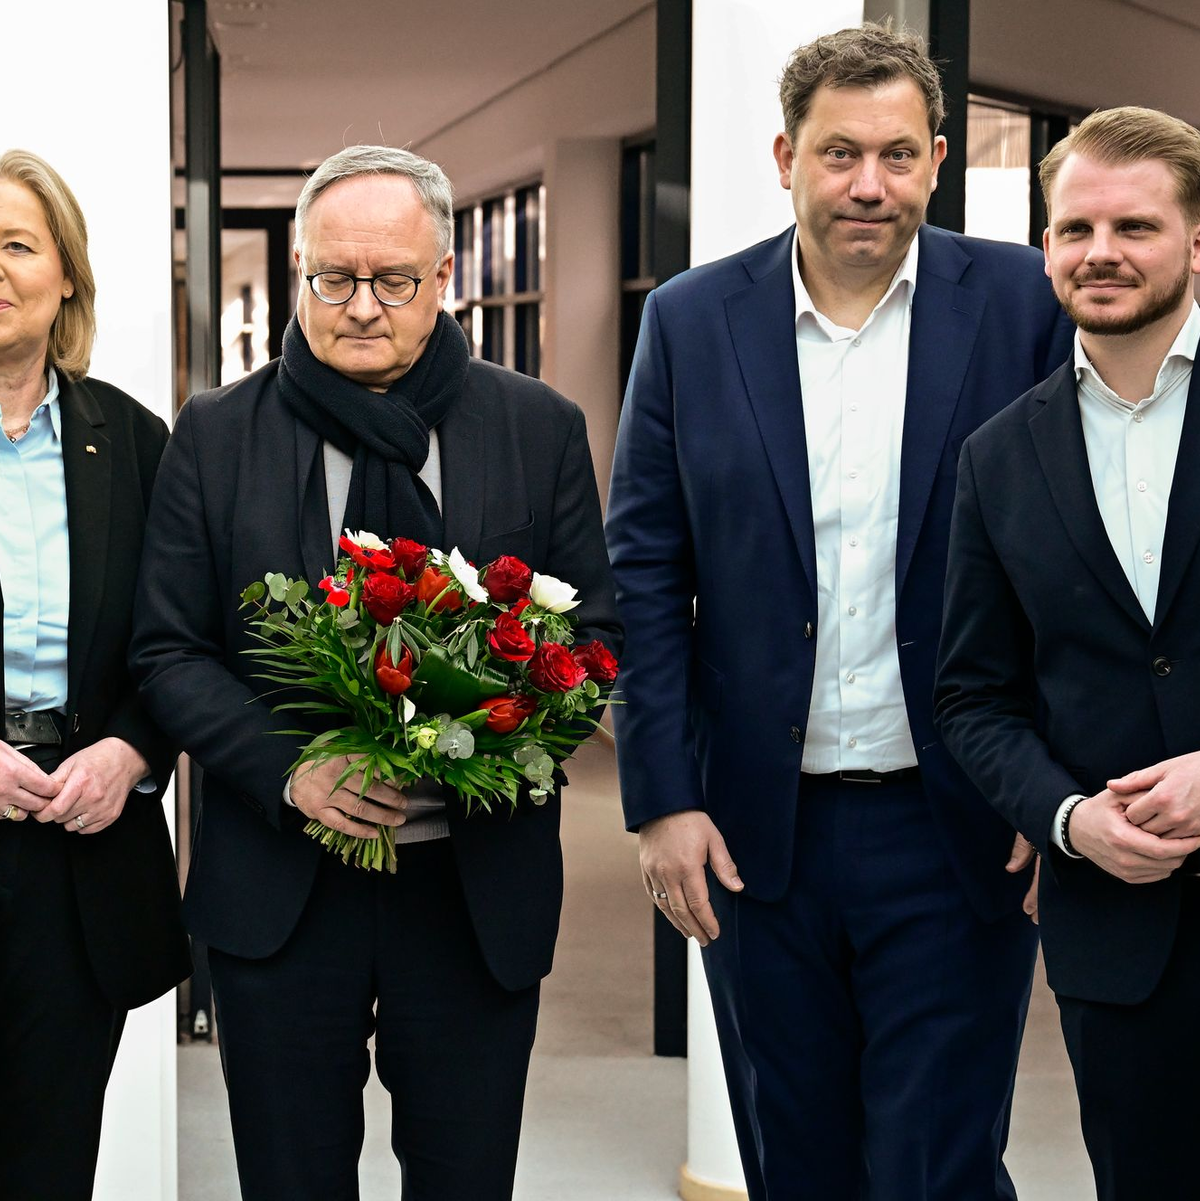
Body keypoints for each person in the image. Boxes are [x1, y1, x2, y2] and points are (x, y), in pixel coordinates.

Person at [606, 23, 1074, 1200]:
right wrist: (661, 798)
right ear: (786, 157)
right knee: (795, 1159)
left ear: (937, 162)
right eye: (840, 153)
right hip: (756, 831)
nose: (871, 183)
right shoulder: (691, 320)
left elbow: (1075, 557)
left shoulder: (1022, 304)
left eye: (899, 155)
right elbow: (645, 569)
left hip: (957, 821)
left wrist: (1052, 782)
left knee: (937, 1165)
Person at [129, 145, 620, 1201]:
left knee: (464, 1179)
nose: (361, 306)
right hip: (282, 887)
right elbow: (168, 649)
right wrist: (291, 768)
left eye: (393, 280)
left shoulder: (537, 426)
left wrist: (485, 737)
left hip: (473, 890)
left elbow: (595, 639)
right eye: (334, 278)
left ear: (443, 277)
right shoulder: (216, 435)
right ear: (299, 272)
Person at [935, 105, 1200, 1201]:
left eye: (1135, 226)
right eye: (1076, 229)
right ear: (1045, 246)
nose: (1101, 252)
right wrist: (1067, 818)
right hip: (1116, 932)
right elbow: (973, 696)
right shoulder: (998, 456)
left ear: (1196, 241)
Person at [0, 148, 189, 1201]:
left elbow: (179, 639)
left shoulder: (135, 441)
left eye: (17, 245)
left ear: (65, 273)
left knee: (51, 1156)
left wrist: (131, 750)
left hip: (80, 856)